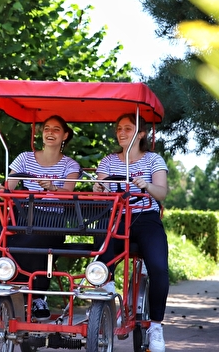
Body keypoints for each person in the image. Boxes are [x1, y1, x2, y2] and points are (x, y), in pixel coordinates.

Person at [0, 115, 80, 321]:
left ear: (65, 135)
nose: (50, 133)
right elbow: (9, 186)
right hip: (23, 216)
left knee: (38, 239)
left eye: (56, 129)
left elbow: (69, 195)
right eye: (47, 128)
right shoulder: (25, 158)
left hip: (52, 219)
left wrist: (53, 188)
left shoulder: (70, 165)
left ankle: (36, 297)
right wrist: (4, 189)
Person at [93, 113, 169, 352]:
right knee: (100, 257)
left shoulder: (153, 160)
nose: (121, 132)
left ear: (141, 134)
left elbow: (162, 193)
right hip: (116, 218)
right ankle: (108, 296)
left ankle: (155, 326)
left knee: (158, 267)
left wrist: (146, 185)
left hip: (145, 217)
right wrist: (99, 188)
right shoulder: (108, 161)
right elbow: (101, 191)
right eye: (118, 129)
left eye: (128, 128)